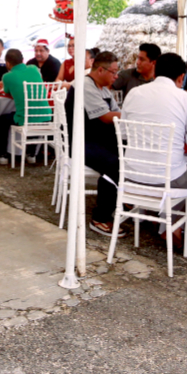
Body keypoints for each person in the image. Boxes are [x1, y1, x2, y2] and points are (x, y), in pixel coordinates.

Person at [120, 52, 187, 243]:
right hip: (168, 178)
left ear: (155, 70)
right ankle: (180, 229)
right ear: (181, 77)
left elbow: (124, 134)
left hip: (131, 174)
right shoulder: (186, 99)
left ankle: (164, 220)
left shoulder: (134, 93)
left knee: (181, 169)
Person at [61, 51, 124, 237]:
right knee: (115, 163)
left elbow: (116, 112)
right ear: (101, 70)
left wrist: (124, 114)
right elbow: (106, 117)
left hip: (99, 139)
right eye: (113, 72)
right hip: (81, 142)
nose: (116, 76)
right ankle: (100, 217)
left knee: (129, 154)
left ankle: (122, 197)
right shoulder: (85, 85)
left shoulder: (104, 88)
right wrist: (132, 114)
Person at [0, 48, 49, 164]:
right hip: (45, 115)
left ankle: (3, 155)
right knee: (33, 114)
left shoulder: (7, 76)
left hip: (25, 118)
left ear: (8, 64)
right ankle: (31, 154)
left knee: (3, 119)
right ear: (23, 60)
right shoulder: (34, 68)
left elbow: (6, 91)